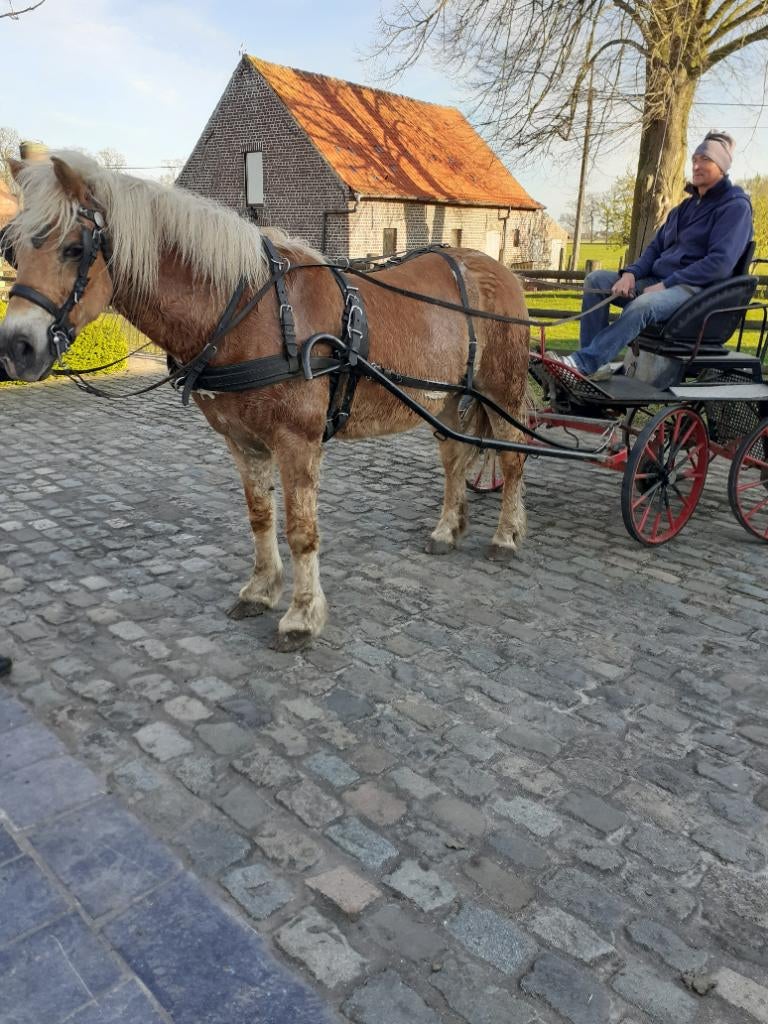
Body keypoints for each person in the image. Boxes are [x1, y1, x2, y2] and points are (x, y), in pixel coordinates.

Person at [548, 131, 754, 380]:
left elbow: (720, 264)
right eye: (695, 159)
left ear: (721, 166)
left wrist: (665, 284)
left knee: (642, 305)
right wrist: (631, 274)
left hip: (697, 291)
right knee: (597, 281)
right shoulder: (683, 209)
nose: (697, 165)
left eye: (705, 160)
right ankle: (598, 367)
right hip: (658, 282)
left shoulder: (735, 207)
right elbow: (655, 249)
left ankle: (583, 363)